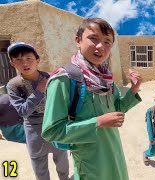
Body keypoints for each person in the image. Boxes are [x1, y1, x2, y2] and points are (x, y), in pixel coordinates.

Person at [42, 18, 142, 180]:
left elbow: (116, 108)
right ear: (78, 41)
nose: (101, 46)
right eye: (93, 38)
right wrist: (98, 122)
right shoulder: (64, 79)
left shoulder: (104, 77)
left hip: (114, 153)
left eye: (107, 42)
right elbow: (52, 131)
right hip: (90, 162)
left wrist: (134, 90)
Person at [6, 42, 69, 180]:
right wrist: (39, 91)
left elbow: (63, 102)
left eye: (29, 58)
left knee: (62, 162)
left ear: (37, 60)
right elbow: (23, 112)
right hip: (34, 131)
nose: (25, 64)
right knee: (40, 168)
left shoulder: (51, 78)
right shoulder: (13, 85)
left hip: (55, 125)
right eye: (18, 60)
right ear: (12, 63)